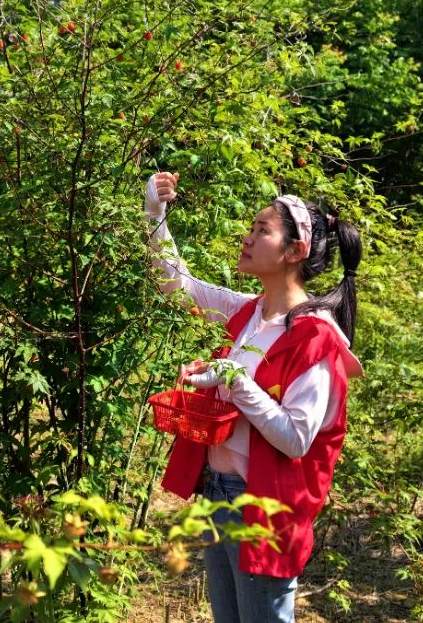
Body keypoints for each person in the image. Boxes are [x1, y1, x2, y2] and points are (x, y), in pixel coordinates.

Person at [144, 172, 363, 622]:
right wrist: (155, 215)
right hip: (217, 492)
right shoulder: (250, 311)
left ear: (295, 251)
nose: (248, 238)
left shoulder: (315, 336)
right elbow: (178, 285)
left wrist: (235, 380)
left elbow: (296, 438)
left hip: (262, 506)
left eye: (263, 230)